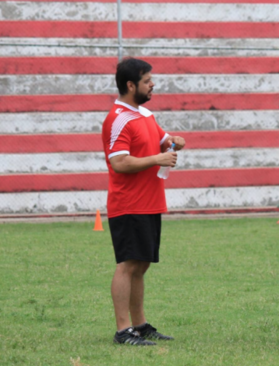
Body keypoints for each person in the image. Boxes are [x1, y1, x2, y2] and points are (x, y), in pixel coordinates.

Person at [101, 58, 186, 346]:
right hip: (128, 204)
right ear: (130, 85)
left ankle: (139, 324)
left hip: (149, 202)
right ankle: (123, 330)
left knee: (141, 265)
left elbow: (162, 141)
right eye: (148, 80)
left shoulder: (145, 114)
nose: (153, 85)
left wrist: (173, 141)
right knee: (127, 265)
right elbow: (119, 163)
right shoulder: (118, 118)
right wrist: (158, 158)